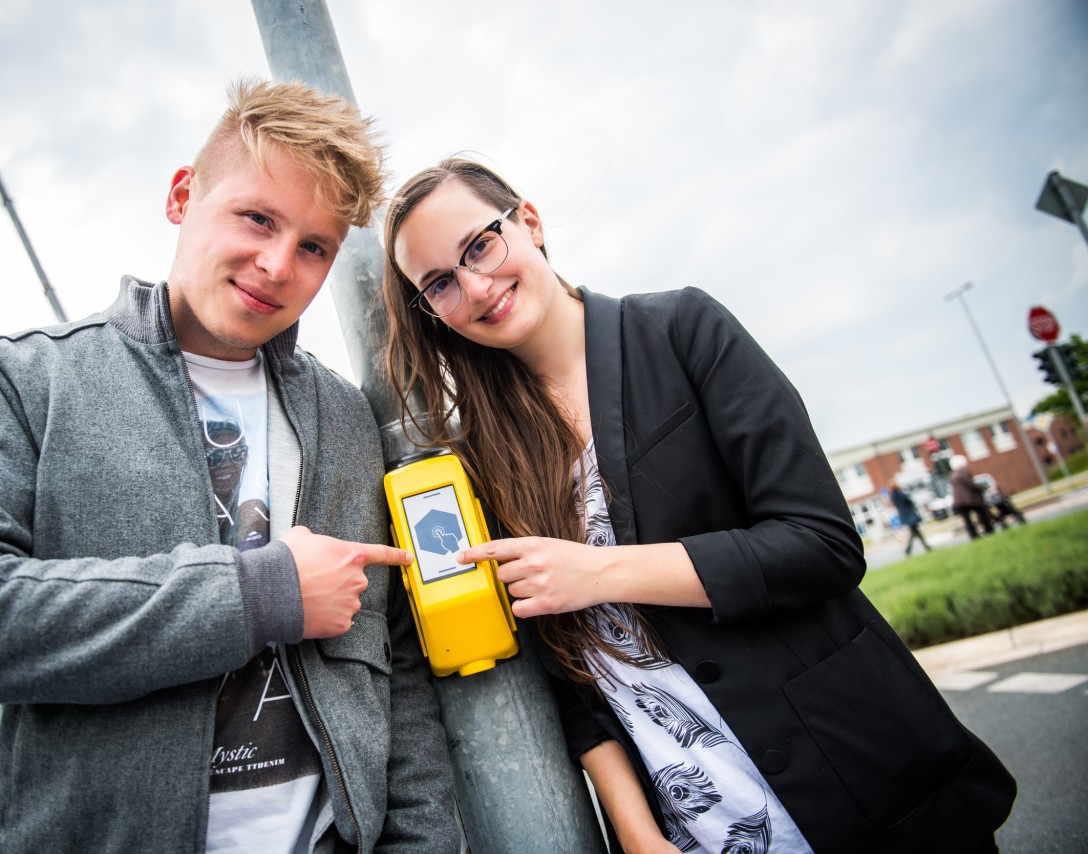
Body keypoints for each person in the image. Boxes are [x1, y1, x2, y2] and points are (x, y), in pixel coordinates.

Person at [0, 80, 459, 854]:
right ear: (182, 195)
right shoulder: (26, 382)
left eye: (313, 246)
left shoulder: (346, 416)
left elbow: (392, 662)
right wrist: (259, 593)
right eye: (257, 217)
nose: (278, 264)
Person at [380, 158, 1016, 853]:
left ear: (528, 221)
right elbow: (571, 680)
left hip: (856, 783)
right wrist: (639, 832)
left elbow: (821, 543)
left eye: (481, 245)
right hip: (695, 831)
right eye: (439, 282)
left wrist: (602, 573)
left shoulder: (681, 330)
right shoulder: (483, 462)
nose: (475, 285)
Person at [949, 455, 996, 540]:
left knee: (967, 520)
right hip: (969, 500)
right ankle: (988, 530)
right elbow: (971, 485)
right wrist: (983, 488)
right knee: (982, 513)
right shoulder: (964, 472)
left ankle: (973, 535)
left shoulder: (953, 476)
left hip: (959, 502)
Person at [888, 484, 932, 556]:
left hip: (904, 516)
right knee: (914, 532)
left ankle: (924, 546)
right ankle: (909, 549)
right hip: (909, 515)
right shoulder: (900, 494)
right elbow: (909, 501)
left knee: (915, 532)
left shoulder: (893, 497)